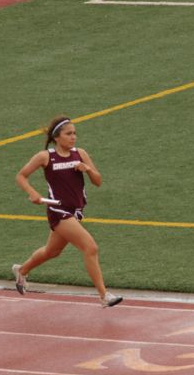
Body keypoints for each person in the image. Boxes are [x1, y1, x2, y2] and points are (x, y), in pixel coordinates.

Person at [12, 116, 122, 308]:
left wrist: (87, 169)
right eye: (69, 134)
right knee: (91, 248)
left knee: (52, 251)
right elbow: (21, 176)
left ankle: (22, 270)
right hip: (58, 210)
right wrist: (33, 193)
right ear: (57, 137)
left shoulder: (80, 154)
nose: (73, 137)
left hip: (76, 211)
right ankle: (104, 296)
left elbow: (98, 181)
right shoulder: (46, 156)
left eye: (75, 133)